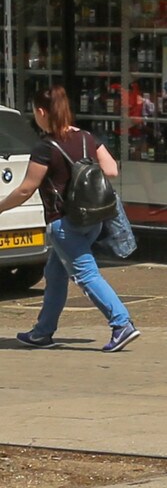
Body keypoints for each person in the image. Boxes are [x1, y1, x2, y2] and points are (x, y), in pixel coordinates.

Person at [1, 84, 137, 351]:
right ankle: (42, 333)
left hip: (64, 223)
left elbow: (27, 188)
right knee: (55, 273)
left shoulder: (45, 147)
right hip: (92, 219)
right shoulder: (86, 138)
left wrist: (2, 207)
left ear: (42, 112)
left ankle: (122, 324)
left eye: (35, 113)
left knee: (86, 274)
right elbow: (111, 170)